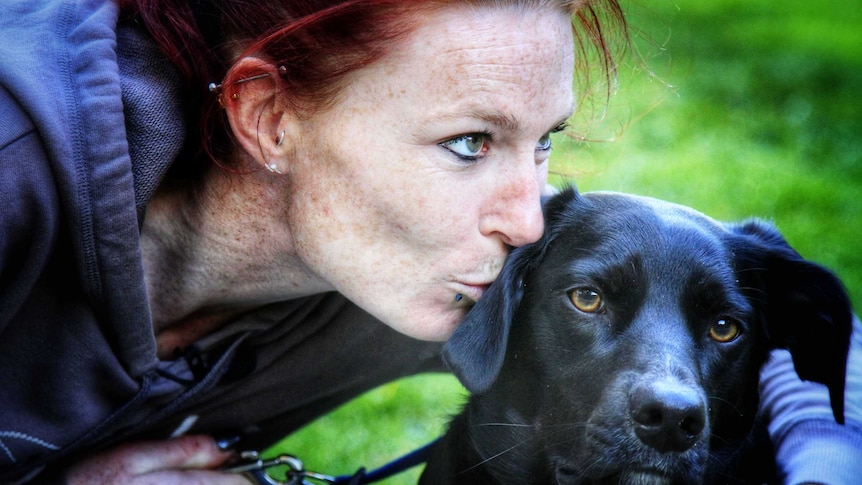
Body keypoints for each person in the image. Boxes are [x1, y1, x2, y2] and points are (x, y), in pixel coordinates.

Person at [0, 0, 858, 483]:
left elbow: (821, 352)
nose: (528, 218)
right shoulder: (17, 171)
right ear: (269, 117)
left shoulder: (448, 270)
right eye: (468, 143)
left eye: (544, 139)